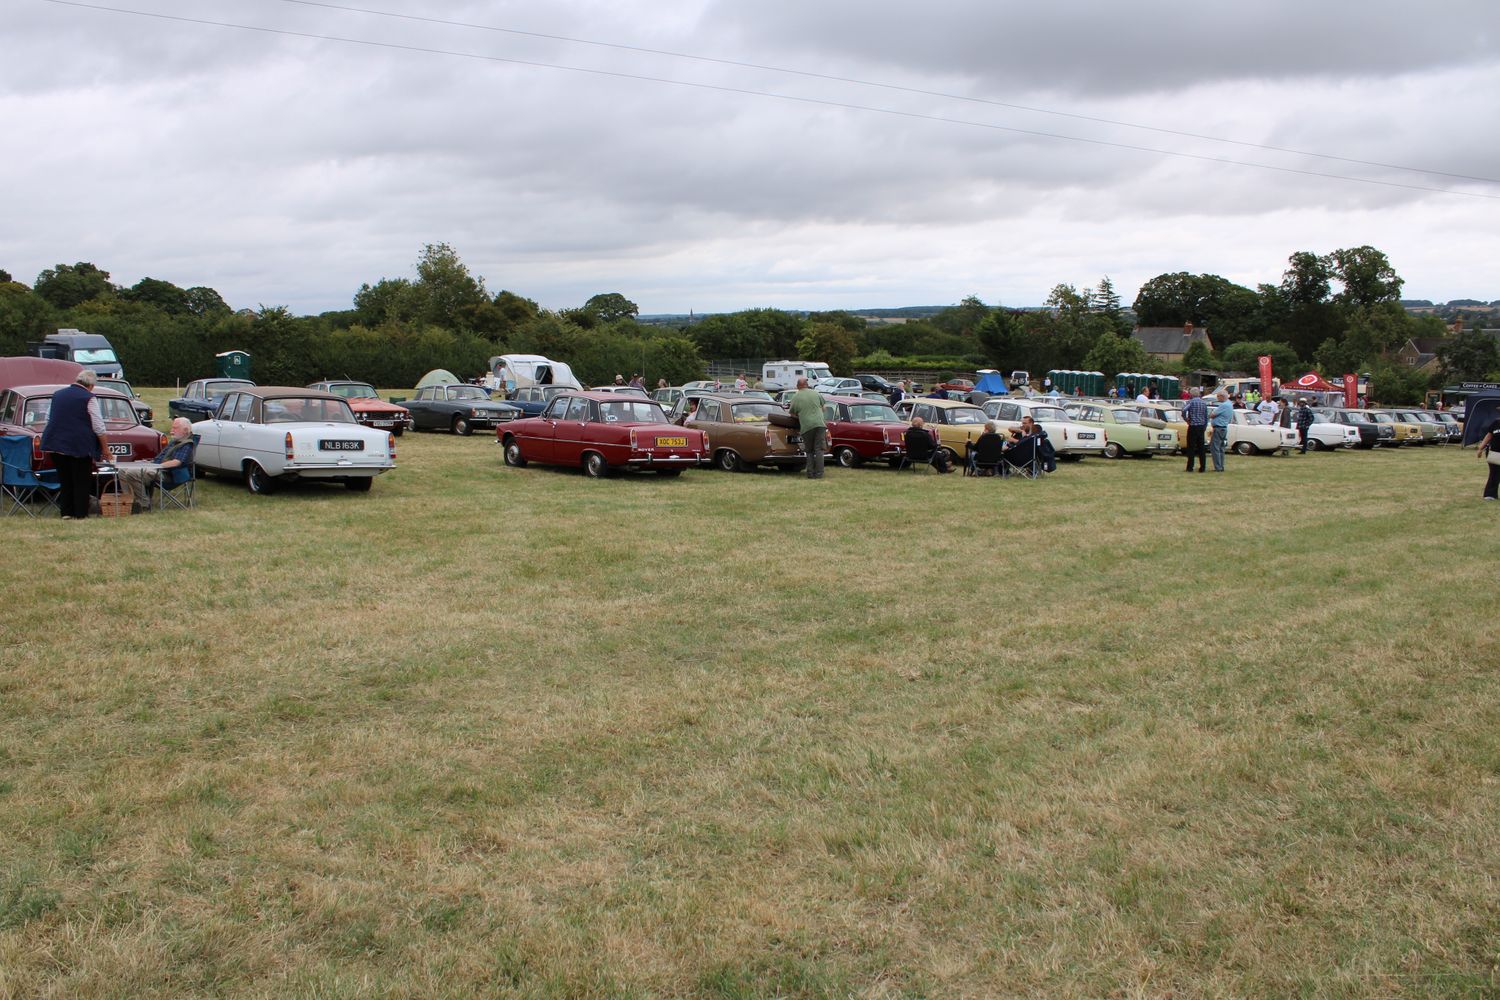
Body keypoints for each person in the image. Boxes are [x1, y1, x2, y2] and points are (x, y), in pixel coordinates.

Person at [40, 369, 111, 520]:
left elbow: (48, 418)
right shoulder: (89, 398)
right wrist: (105, 449)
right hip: (79, 445)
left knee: (65, 480)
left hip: (56, 444)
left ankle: (66, 512)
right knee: (81, 481)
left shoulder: (58, 395)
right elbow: (98, 425)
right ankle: (80, 514)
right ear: (91, 385)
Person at [116, 417, 195, 512]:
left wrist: (156, 466)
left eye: (175, 428)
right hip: (157, 468)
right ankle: (130, 502)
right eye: (172, 427)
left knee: (132, 473)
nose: (171, 430)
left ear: (185, 430)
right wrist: (149, 463)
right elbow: (160, 458)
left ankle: (143, 504)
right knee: (122, 470)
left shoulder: (187, 444)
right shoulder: (174, 442)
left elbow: (176, 462)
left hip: (168, 474)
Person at [785, 377, 828, 479]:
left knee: (809, 451)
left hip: (807, 426)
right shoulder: (816, 393)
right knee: (819, 450)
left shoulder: (796, 396)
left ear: (798, 386)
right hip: (820, 424)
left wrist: (800, 416)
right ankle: (819, 473)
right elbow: (824, 407)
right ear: (807, 385)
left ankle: (810, 473)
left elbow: (791, 413)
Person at [1181, 387, 1209, 472]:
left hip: (1193, 426)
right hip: (1201, 427)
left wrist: (1186, 419)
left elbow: (1184, 410)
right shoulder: (1204, 403)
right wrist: (1204, 426)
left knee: (1191, 447)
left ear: (1191, 394)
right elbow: (1206, 416)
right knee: (1201, 448)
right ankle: (1203, 467)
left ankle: (1190, 467)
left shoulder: (1191, 402)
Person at [1209, 390, 1233, 472]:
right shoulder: (1230, 404)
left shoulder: (1224, 405)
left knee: (1215, 448)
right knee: (1221, 448)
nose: (1217, 398)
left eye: (1218, 396)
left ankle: (1218, 467)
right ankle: (1221, 466)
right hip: (1224, 427)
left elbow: (1212, 415)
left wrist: (1212, 413)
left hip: (1218, 428)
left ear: (1222, 396)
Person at [1478, 415, 1500, 500]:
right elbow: (1489, 435)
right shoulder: (1496, 422)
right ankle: (1490, 494)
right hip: (1494, 452)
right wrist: (1481, 448)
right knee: (1494, 473)